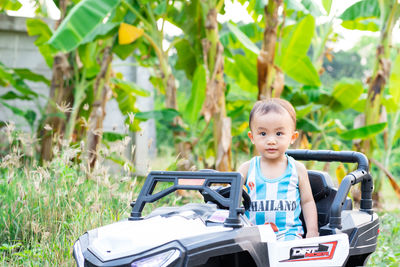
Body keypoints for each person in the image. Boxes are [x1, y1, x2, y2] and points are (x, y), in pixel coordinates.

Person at [238, 98, 319, 241]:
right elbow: (230, 197)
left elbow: (307, 202)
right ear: (252, 137)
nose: (271, 140)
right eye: (263, 134)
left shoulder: (297, 169)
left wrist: (312, 231)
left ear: (292, 137)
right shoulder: (246, 169)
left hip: (288, 234)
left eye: (279, 134)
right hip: (253, 235)